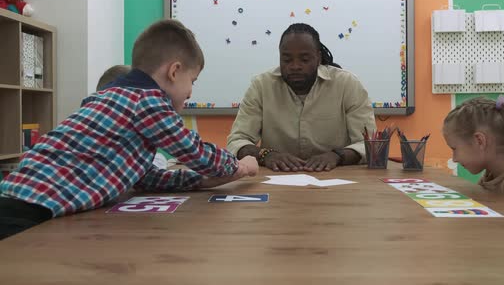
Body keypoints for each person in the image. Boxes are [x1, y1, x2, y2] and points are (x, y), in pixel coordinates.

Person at [0, 19, 258, 240]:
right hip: (27, 211)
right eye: (192, 81)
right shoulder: (147, 101)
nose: (191, 92)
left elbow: (146, 178)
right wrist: (239, 166)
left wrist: (200, 181)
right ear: (174, 71)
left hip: (20, 199)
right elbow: (193, 150)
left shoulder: (112, 98)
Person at [227, 23, 377, 172]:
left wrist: (337, 156)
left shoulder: (347, 84)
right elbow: (237, 141)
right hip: (277, 180)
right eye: (287, 60)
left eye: (304, 59)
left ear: (318, 58)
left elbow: (370, 144)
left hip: (337, 180)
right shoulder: (261, 86)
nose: (295, 66)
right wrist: (265, 154)